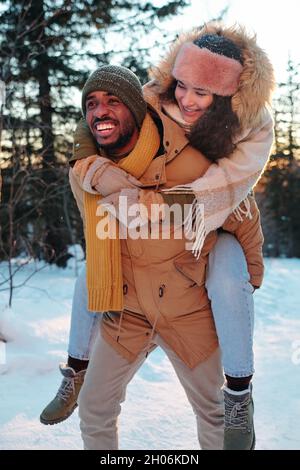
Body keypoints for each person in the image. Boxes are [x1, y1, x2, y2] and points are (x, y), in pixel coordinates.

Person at [40, 22, 274, 450]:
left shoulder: (236, 143)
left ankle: (240, 391)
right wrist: (91, 166)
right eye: (182, 86)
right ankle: (76, 370)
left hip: (187, 306)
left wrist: (247, 275)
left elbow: (241, 210)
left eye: (201, 93)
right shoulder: (149, 106)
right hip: (129, 307)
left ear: (224, 99)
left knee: (218, 419)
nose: (185, 99)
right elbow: (96, 115)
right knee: (94, 410)